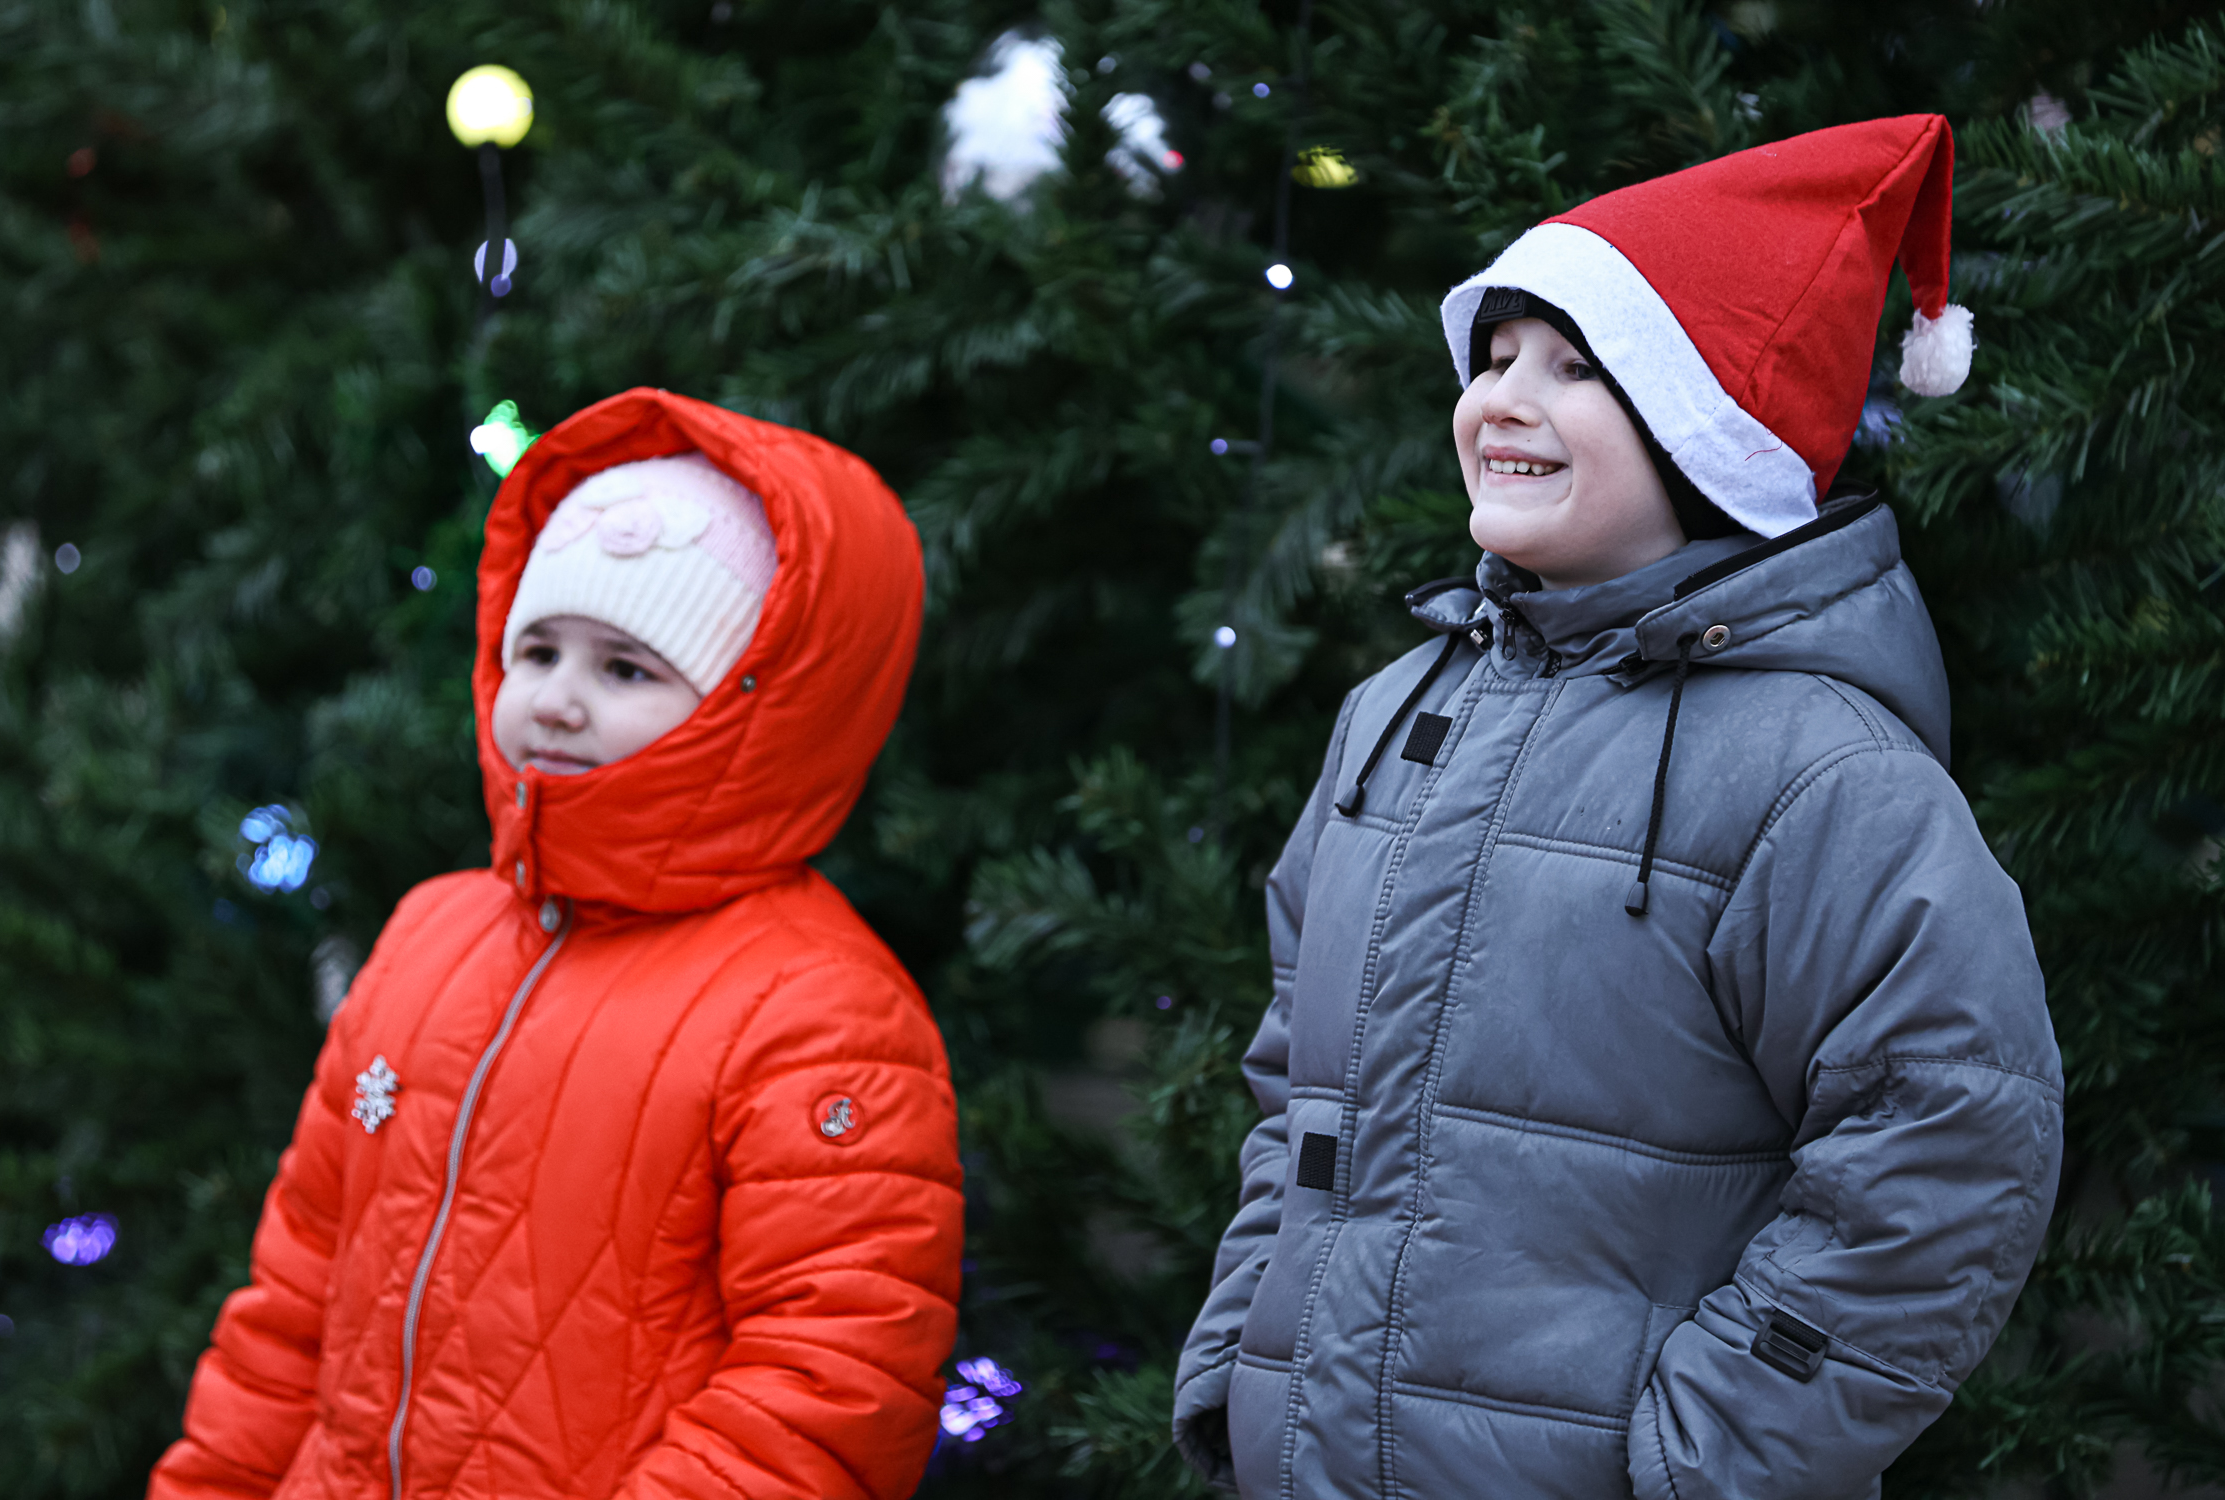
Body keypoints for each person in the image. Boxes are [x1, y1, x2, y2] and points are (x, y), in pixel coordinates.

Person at [1172, 116, 2063, 1500]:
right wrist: (1239, 1368)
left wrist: (1708, 1455)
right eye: (1493, 358)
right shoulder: (1398, 715)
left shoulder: (1822, 776)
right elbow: (1300, 1081)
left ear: (1709, 429)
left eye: (1578, 368)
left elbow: (1949, 1141)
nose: (1501, 400)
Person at [150, 389, 962, 1500]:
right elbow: (297, 1294)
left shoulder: (817, 1009)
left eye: (627, 669)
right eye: (538, 651)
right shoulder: (430, 933)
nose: (559, 702)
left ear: (754, 709)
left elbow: (824, 1388)